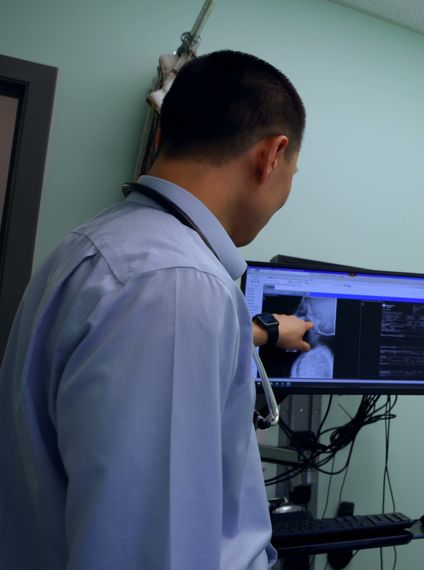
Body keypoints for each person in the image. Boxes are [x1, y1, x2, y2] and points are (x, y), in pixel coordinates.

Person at [0, 50, 306, 569]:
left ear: (162, 137)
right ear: (272, 155)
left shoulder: (92, 249)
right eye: (294, 169)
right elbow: (150, 552)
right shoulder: (176, 284)